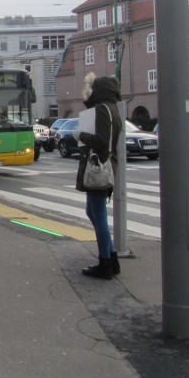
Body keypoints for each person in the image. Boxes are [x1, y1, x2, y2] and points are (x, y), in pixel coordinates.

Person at [72, 74, 123, 280]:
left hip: (98, 167)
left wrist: (80, 135)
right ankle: (111, 258)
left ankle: (105, 263)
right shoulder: (113, 109)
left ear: (100, 91)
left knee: (98, 216)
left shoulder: (102, 109)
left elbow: (101, 140)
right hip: (107, 165)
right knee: (93, 213)